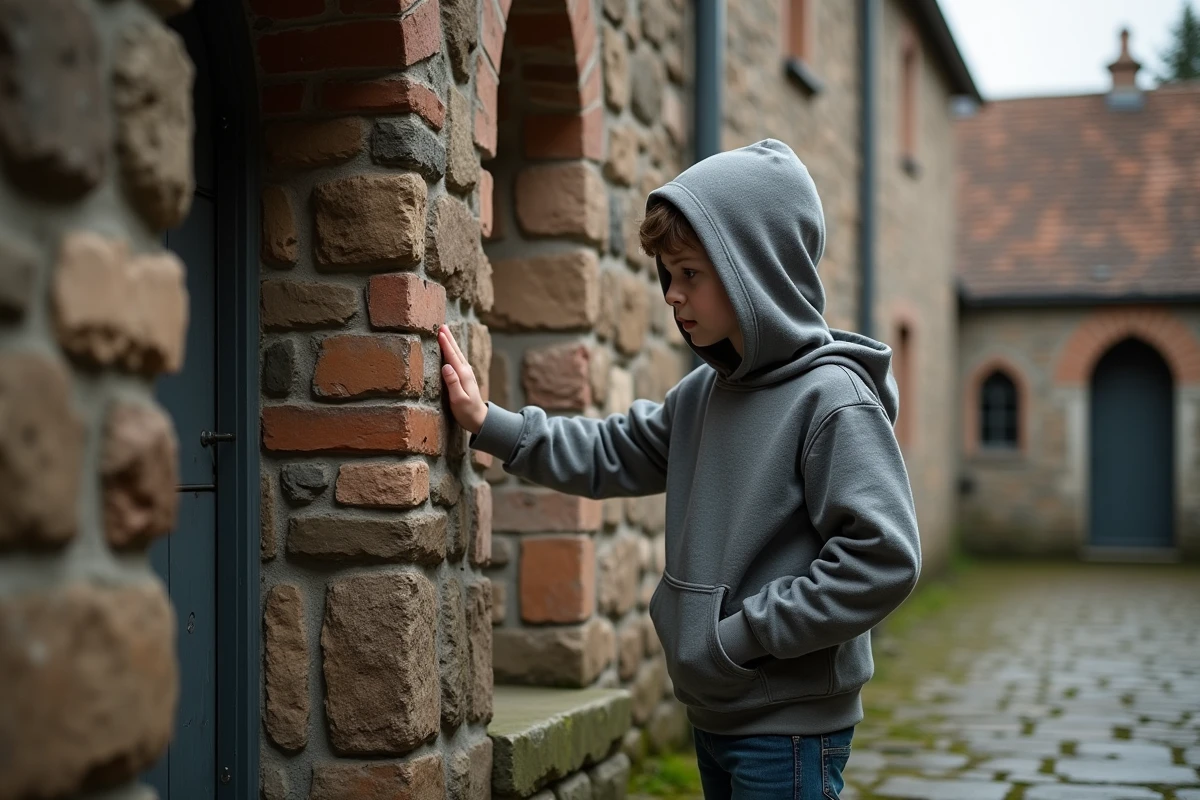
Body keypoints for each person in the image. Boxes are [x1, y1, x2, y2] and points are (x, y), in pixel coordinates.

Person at [438, 138, 921, 800]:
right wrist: (488, 422)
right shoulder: (703, 394)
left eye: (690, 274)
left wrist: (744, 635)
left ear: (755, 267)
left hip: (789, 728)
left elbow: (883, 559)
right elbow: (612, 452)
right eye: (667, 275)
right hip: (718, 711)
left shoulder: (833, 400)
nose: (672, 295)